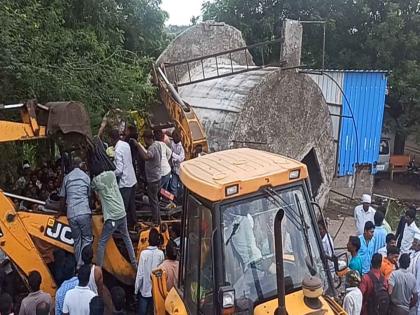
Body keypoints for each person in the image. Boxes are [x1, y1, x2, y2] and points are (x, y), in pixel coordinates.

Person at [91, 167, 137, 270]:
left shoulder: (96, 180)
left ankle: (98, 270)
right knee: (127, 238)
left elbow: (94, 193)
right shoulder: (111, 174)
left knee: (102, 242)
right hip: (121, 212)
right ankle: (134, 264)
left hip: (112, 217)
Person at [57, 157, 92, 267]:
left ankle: (78, 265)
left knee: (77, 240)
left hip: (71, 213)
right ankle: (86, 263)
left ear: (72, 165)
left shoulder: (67, 178)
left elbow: (62, 197)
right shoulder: (86, 177)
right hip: (84, 211)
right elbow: (89, 196)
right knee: (87, 238)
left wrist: (60, 211)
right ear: (80, 165)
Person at [130, 130, 162, 225]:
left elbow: (146, 156)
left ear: (147, 139)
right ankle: (158, 219)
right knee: (155, 199)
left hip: (153, 179)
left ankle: (156, 221)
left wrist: (138, 145)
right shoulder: (157, 144)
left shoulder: (152, 148)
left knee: (153, 201)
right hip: (157, 176)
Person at [109, 129, 138, 230]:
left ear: (112, 139)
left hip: (125, 182)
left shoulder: (117, 150)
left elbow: (119, 170)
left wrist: (110, 174)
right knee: (131, 204)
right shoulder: (125, 145)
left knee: (123, 207)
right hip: (132, 179)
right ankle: (134, 223)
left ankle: (122, 227)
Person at [135, 228, 164, 315]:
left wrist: (136, 290)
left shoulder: (143, 254)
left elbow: (140, 275)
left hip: (144, 291)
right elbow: (160, 273)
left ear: (149, 240)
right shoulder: (161, 254)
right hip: (155, 291)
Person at [168, 129, 185, 201]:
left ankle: (181, 199)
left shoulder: (182, 147)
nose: (173, 139)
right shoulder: (173, 144)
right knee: (173, 186)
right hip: (174, 169)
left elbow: (181, 158)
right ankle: (174, 199)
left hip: (181, 170)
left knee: (181, 186)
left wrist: (173, 155)